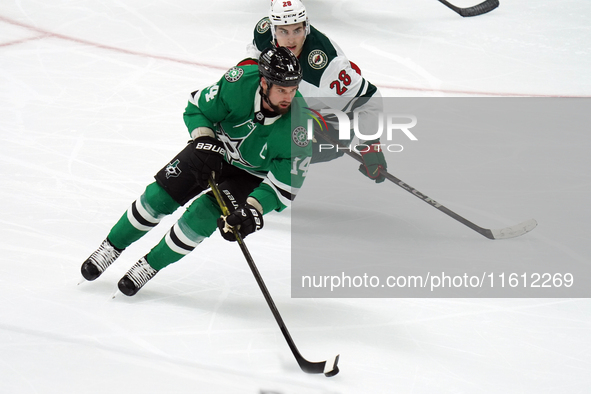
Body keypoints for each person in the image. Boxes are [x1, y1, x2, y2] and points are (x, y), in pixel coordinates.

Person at [80, 46, 312, 296]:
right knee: (159, 197)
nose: (288, 97)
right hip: (214, 150)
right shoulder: (238, 83)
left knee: (201, 217)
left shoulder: (300, 128)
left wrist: (252, 210)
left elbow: (284, 186)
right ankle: (110, 247)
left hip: (250, 176)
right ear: (263, 82)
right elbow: (196, 107)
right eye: (281, 90)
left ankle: (148, 266)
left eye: (293, 89)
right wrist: (205, 139)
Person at [238, 0, 388, 183]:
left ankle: (253, 187)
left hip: (332, 126)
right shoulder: (263, 33)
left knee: (271, 149)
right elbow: (255, 55)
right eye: (283, 31)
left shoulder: (323, 65)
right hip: (299, 108)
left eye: (297, 30)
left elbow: (369, 99)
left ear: (306, 27)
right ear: (272, 29)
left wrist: (370, 144)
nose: (291, 39)